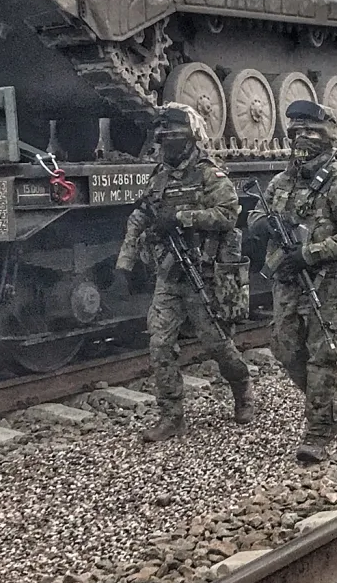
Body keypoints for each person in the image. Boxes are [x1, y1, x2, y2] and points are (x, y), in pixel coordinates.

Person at [108, 103, 254, 442]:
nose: (167, 142)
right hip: (169, 273)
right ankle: (172, 416)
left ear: (190, 138)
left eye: (174, 136)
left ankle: (242, 387)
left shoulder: (208, 174)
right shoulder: (158, 175)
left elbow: (227, 215)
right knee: (160, 344)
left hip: (201, 272)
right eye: (163, 137)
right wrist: (125, 262)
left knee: (216, 342)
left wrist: (181, 218)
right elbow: (140, 216)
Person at [249, 100, 337, 464]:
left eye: (311, 132)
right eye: (296, 132)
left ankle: (319, 430)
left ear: (327, 137)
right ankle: (335, 402)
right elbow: (255, 218)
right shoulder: (280, 182)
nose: (302, 139)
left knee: (323, 355)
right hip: (286, 280)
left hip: (322, 280)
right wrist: (262, 226)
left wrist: (310, 253)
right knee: (284, 349)